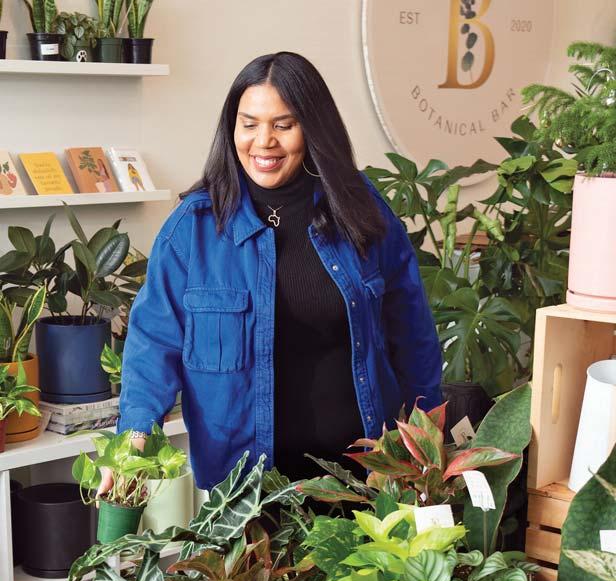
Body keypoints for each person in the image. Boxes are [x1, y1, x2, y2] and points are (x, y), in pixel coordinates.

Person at [102, 51, 442, 496]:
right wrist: (134, 440)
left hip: (365, 480)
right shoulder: (194, 228)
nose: (264, 142)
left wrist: (428, 438)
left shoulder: (360, 209)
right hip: (244, 488)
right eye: (249, 124)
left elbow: (412, 332)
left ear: (313, 128)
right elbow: (153, 343)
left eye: (284, 125)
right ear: (232, 128)